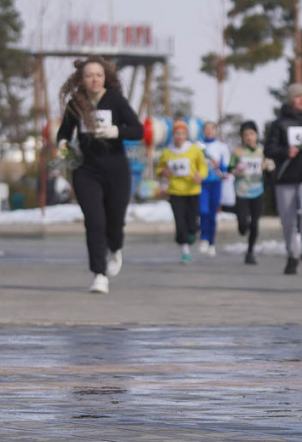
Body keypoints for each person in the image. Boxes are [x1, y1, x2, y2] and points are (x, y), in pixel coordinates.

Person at [56, 56, 144, 294]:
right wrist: (64, 145)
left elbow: (139, 130)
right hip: (86, 170)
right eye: (89, 75)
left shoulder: (115, 100)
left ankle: (115, 248)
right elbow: (63, 132)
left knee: (114, 221)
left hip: (116, 169)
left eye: (98, 75)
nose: (94, 79)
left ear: (105, 77)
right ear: (81, 79)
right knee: (95, 222)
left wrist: (117, 131)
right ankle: (99, 274)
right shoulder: (76, 103)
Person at [264, 83, 302, 275]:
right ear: (290, 100)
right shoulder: (278, 124)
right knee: (288, 220)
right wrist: (284, 151)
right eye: (298, 97)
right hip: (285, 177)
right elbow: (268, 150)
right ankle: (292, 255)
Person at [157, 120, 208, 264]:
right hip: (175, 191)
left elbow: (203, 167)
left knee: (192, 222)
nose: (179, 136)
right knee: (180, 222)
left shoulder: (194, 150)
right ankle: (185, 251)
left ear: (186, 135)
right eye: (177, 133)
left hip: (192, 190)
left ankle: (192, 232)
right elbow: (159, 168)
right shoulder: (167, 152)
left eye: (182, 133)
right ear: (173, 135)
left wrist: (200, 175)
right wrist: (163, 172)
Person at [228, 121, 273, 264]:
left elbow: (272, 167)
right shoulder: (238, 152)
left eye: (251, 134)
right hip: (241, 190)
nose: (249, 137)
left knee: (254, 223)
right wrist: (235, 171)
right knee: (243, 223)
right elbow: (230, 168)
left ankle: (250, 251)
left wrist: (266, 167)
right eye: (245, 135)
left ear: (256, 135)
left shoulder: (263, 151)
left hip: (257, 191)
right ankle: (242, 227)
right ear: (242, 137)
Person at [197, 121, 230, 257]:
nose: (209, 131)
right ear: (203, 131)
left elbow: (225, 168)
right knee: (203, 211)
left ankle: (211, 242)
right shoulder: (198, 146)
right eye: (206, 129)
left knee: (212, 214)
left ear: (215, 131)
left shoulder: (221, 147)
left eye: (211, 129)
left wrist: (219, 169)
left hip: (216, 184)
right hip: (202, 183)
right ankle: (204, 238)